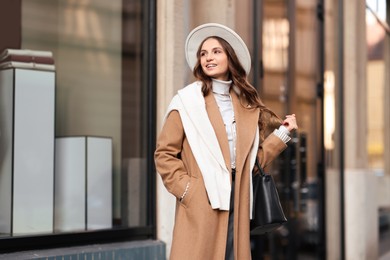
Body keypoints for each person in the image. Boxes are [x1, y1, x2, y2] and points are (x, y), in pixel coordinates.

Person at [154, 23, 298, 260]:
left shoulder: (244, 107)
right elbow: (164, 154)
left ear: (230, 58)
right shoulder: (187, 102)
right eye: (203, 53)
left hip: (238, 199)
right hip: (202, 202)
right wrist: (188, 190)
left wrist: (281, 135)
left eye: (216, 51)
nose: (208, 57)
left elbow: (250, 162)